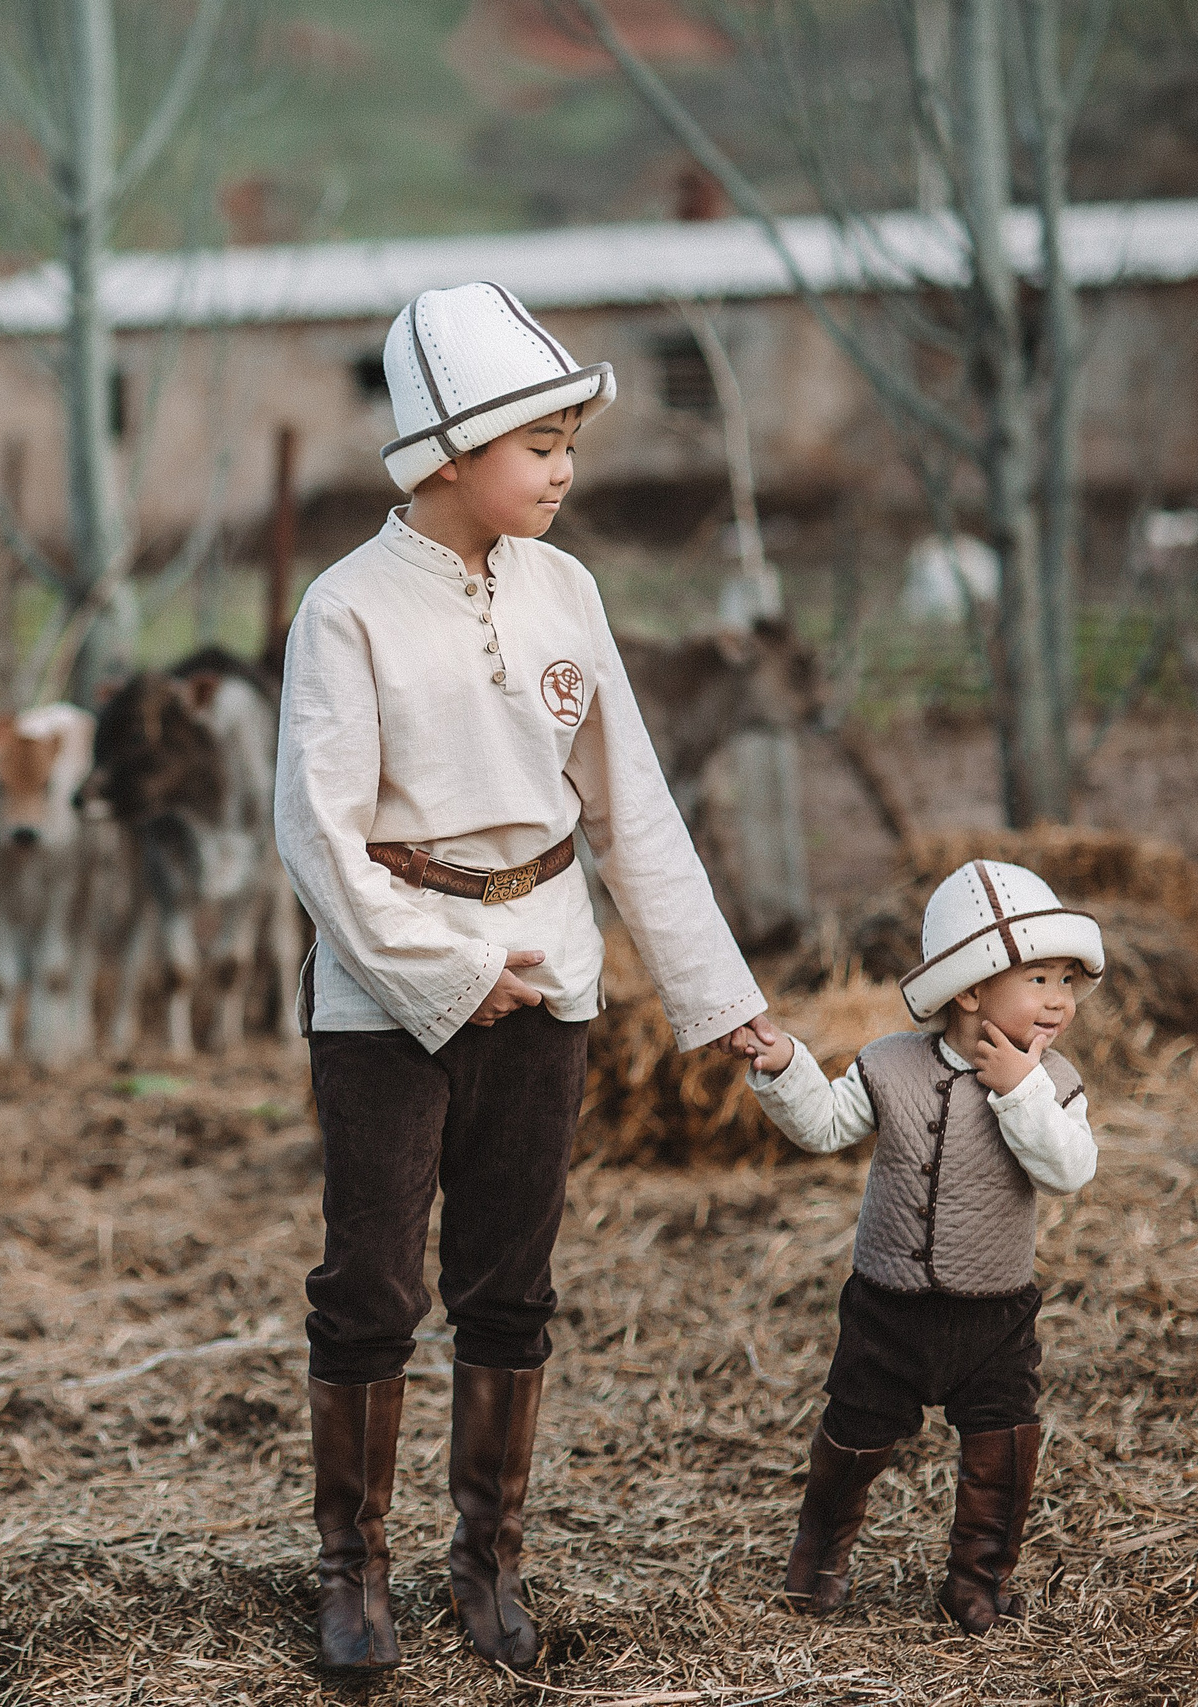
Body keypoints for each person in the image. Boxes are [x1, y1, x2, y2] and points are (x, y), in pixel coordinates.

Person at [274, 281, 777, 1673]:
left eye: (569, 441)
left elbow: (629, 806)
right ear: (448, 453)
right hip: (384, 992)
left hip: (550, 975)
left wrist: (717, 996)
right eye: (539, 443)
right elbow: (315, 833)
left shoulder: (568, 591)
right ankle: (352, 1574)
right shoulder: (348, 608)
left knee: (513, 1283)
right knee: (371, 1281)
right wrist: (441, 971)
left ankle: (487, 1564)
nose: (565, 468)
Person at [742, 859, 1102, 1633]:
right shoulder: (891, 1063)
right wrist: (784, 1067)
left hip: (994, 1312)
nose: (1060, 1000)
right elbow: (828, 1124)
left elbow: (1068, 1168)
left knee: (1002, 1449)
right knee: (853, 1435)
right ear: (969, 988)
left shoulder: (1055, 1082)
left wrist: (1020, 1088)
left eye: (1068, 980)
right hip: (887, 1306)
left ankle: (976, 1580)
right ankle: (819, 1556)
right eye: (1040, 978)